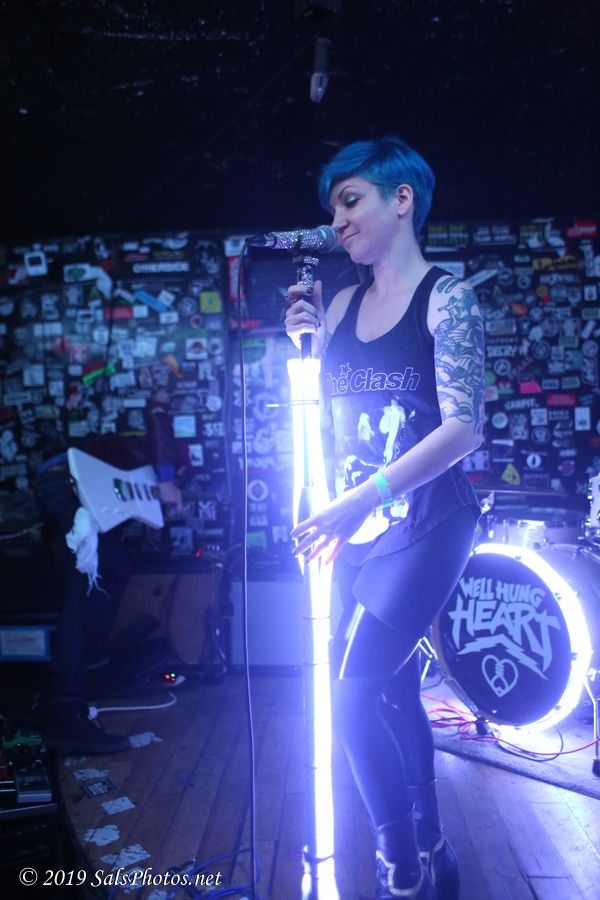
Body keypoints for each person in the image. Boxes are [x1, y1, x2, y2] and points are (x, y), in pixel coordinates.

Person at [284, 136, 484, 900]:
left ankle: (398, 862)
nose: (337, 219)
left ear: (402, 200)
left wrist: (358, 501)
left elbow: (464, 428)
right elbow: (332, 413)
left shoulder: (448, 299)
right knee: (393, 691)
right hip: (356, 528)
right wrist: (303, 346)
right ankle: (431, 840)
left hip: (427, 521)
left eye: (350, 199)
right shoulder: (339, 306)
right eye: (332, 206)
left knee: (352, 692)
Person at [34, 393, 182, 755]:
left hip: (69, 482)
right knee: (82, 582)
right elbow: (159, 426)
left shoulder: (131, 454)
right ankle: (64, 701)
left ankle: (93, 667)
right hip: (68, 481)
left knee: (115, 568)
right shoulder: (161, 432)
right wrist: (167, 479)